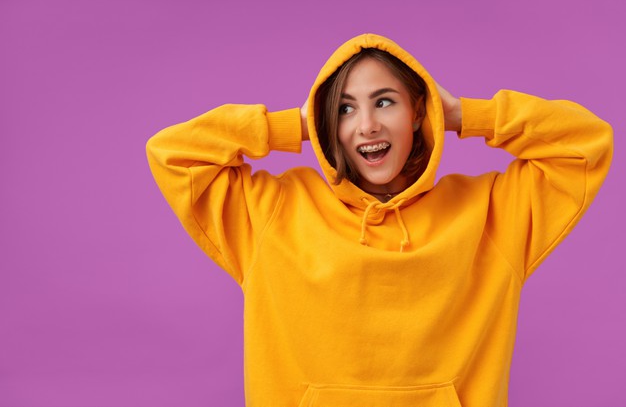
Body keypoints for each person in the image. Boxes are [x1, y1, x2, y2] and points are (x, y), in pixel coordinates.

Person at [146, 34, 612, 406]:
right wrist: (296, 125)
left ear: (416, 112)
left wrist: (463, 114)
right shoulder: (273, 211)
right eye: (344, 109)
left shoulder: (492, 212)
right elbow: (175, 155)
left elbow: (584, 146)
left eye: (385, 101)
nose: (366, 125)